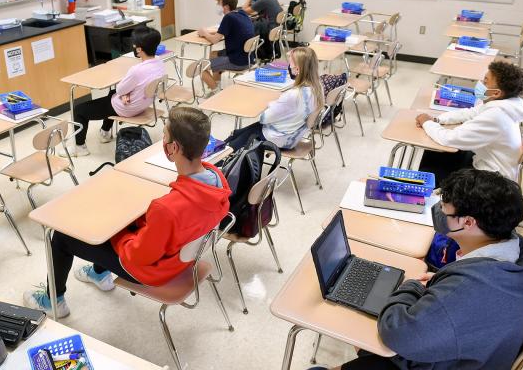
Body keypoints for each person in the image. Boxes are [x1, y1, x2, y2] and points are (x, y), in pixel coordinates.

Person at [311, 169, 523, 370]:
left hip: (446, 361)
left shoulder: (468, 289)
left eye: (444, 209)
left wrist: (411, 285)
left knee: (363, 327)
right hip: (481, 352)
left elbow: (397, 334)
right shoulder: (516, 247)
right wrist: (444, 281)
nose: (439, 212)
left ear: (468, 222)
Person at [24, 107, 231, 317]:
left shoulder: (167, 209)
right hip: (181, 259)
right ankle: (98, 273)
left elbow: (137, 256)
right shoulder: (218, 180)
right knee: (121, 218)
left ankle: (53, 301)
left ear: (174, 148)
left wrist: (117, 231)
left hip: (152, 271)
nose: (163, 141)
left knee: (60, 237)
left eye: (165, 137)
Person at [415, 61, 523, 184]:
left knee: (432, 166)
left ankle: (426, 195)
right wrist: (437, 119)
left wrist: (426, 122)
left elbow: (449, 139)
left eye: (485, 81)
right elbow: (471, 112)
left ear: (496, 93)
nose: (481, 83)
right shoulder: (503, 104)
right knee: (435, 152)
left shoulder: (497, 116)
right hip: (487, 164)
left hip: (492, 181)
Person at [72, 26, 164, 156]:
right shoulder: (159, 62)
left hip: (127, 108)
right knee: (111, 93)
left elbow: (121, 88)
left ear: (139, 49)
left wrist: (123, 93)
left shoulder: (137, 70)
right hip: (142, 104)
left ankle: (80, 147)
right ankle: (105, 132)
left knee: (79, 110)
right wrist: (123, 93)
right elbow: (125, 89)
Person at [225, 47, 325, 151]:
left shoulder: (293, 95)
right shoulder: (318, 88)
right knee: (239, 133)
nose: (289, 68)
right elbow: (307, 122)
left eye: (290, 65)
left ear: (297, 69)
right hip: (292, 136)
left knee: (236, 142)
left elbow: (264, 118)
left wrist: (272, 104)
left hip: (278, 138)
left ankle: (221, 159)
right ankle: (228, 146)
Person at [198, 0, 255, 91]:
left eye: (218, 3)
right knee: (213, 54)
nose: (217, 5)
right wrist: (210, 33)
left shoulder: (228, 17)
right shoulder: (241, 13)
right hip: (249, 58)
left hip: (238, 61)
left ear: (226, 7)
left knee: (200, 67)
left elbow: (215, 40)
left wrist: (204, 33)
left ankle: (216, 92)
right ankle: (216, 83)